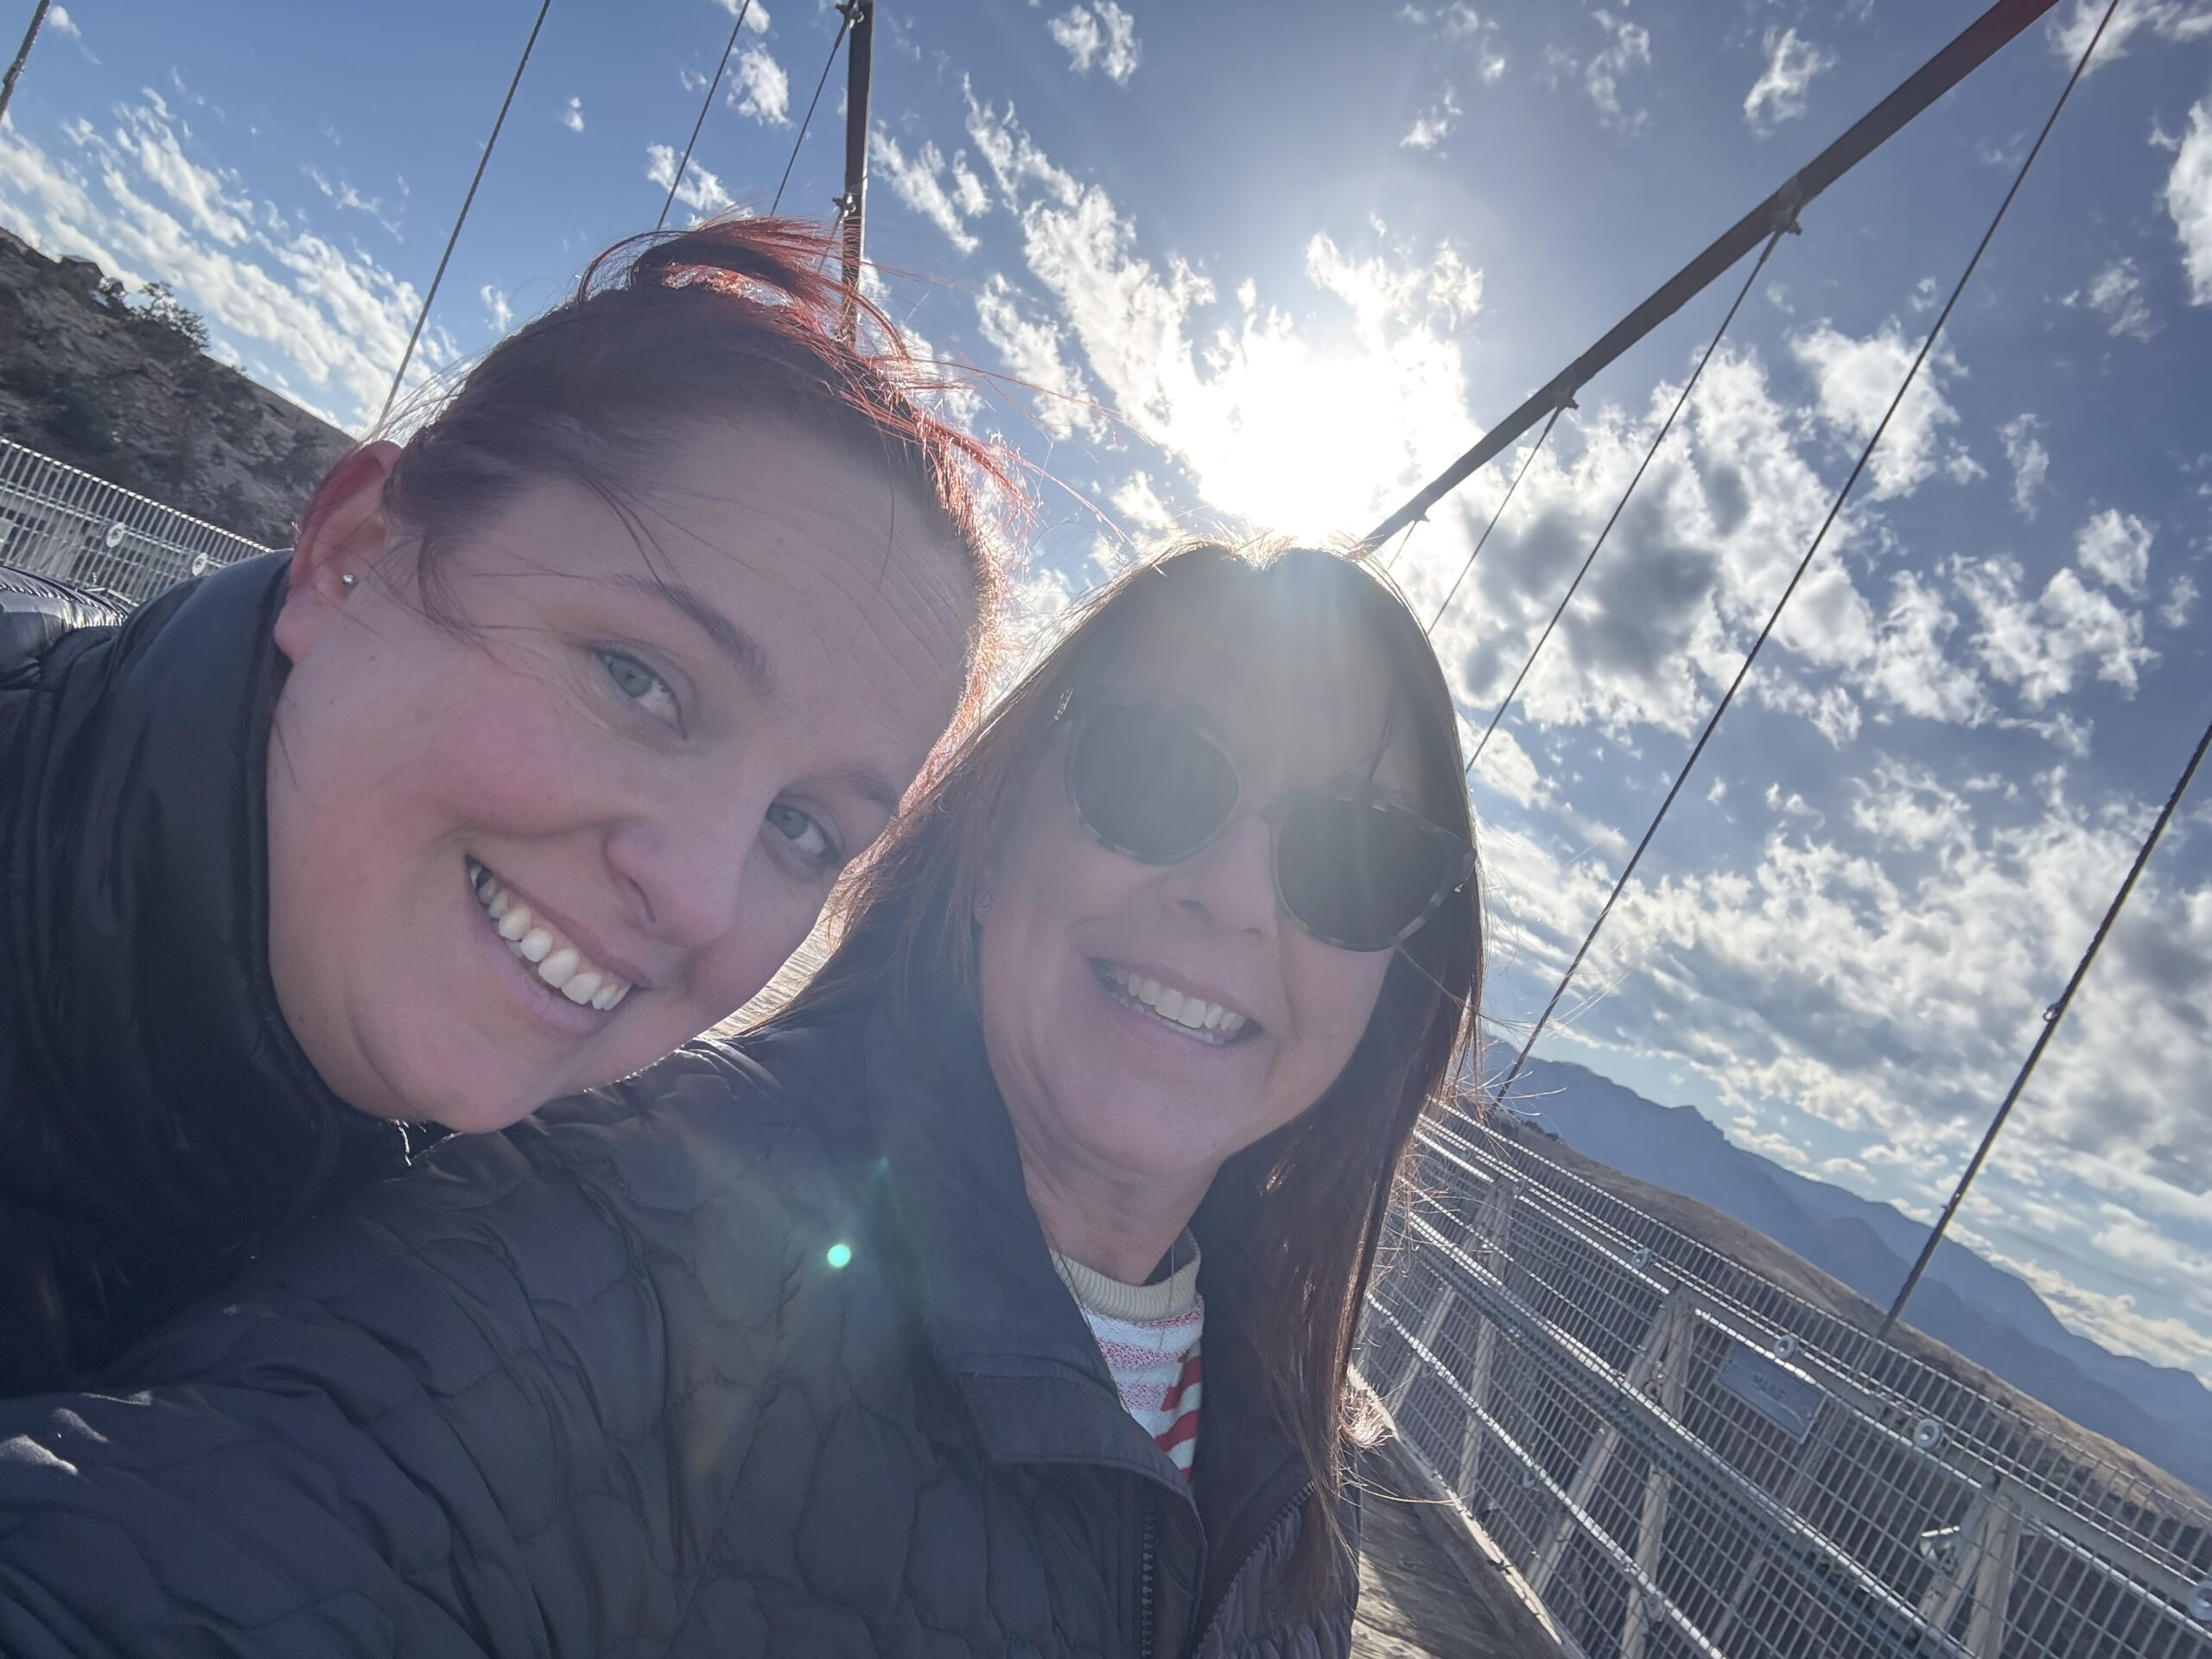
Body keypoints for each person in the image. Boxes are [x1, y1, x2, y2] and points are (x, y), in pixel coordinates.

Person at [0, 540, 1481, 1657]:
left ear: (1396, 973)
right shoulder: (629, 1236)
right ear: (992, 839)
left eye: (1353, 857)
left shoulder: (1297, 1451)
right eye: (1156, 776)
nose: (1236, 897)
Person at [0, 215, 1007, 1393]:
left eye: (802, 827)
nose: (696, 897)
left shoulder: (521, 1285)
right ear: (353, 554)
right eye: (639, 679)